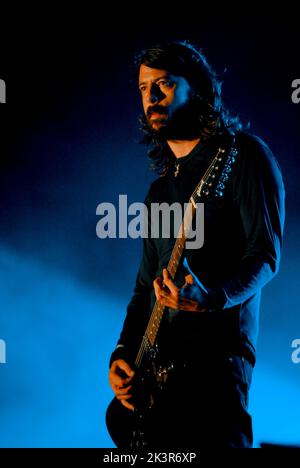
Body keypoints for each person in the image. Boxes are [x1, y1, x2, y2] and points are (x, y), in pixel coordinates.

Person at [106, 41, 285, 449]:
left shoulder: (244, 157)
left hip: (216, 370)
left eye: (164, 85)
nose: (150, 97)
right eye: (143, 88)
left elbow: (267, 256)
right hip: (153, 383)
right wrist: (121, 357)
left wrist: (213, 298)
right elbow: (142, 291)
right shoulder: (159, 192)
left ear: (197, 89)